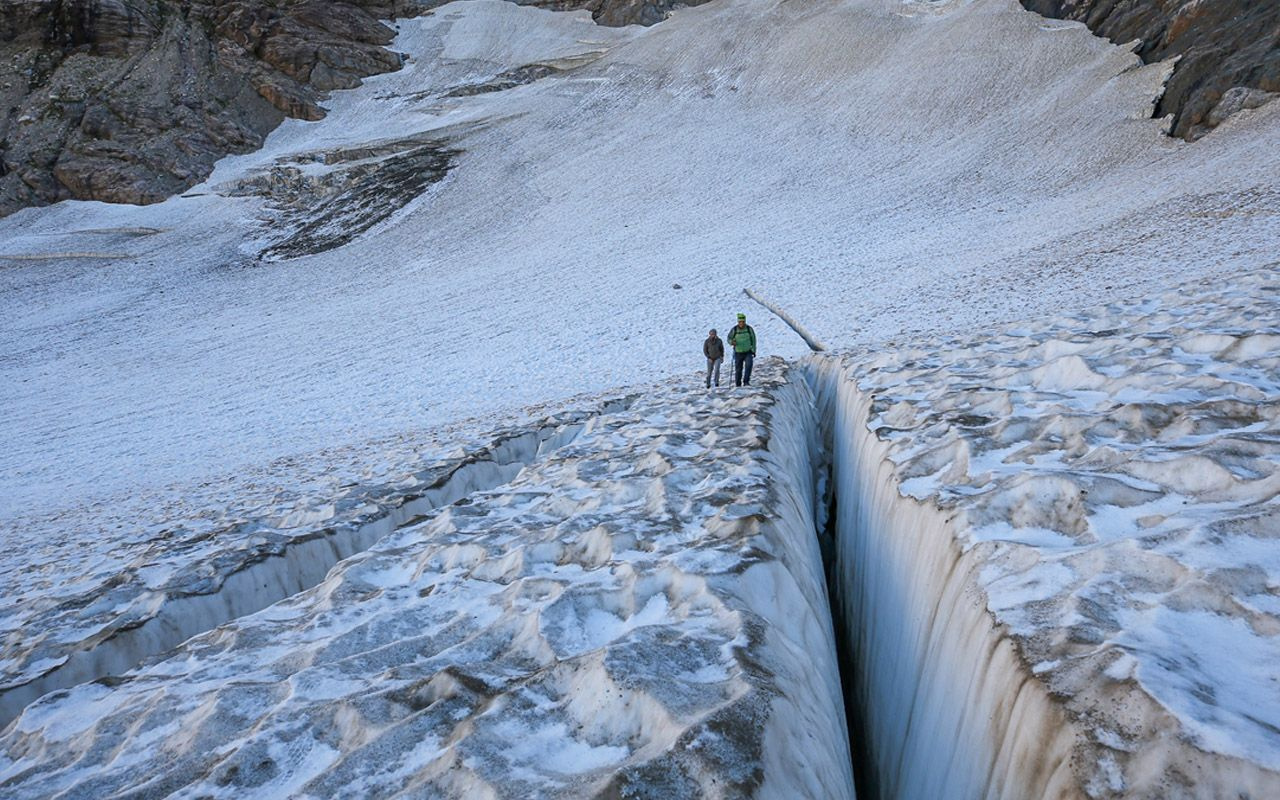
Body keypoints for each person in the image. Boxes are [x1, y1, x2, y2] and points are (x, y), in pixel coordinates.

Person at [728, 313, 756, 386]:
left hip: (748, 352)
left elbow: (753, 339)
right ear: (738, 322)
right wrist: (731, 342)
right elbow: (729, 338)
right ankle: (738, 384)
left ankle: (746, 382)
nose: (741, 323)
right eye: (740, 322)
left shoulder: (749, 329)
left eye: (743, 321)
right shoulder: (734, 329)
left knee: (748, 366)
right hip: (738, 352)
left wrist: (753, 349)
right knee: (738, 369)